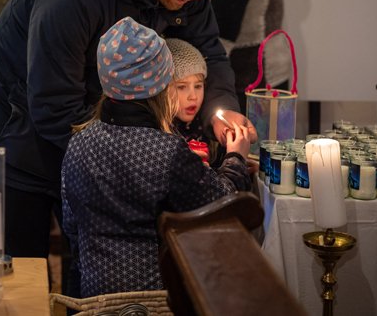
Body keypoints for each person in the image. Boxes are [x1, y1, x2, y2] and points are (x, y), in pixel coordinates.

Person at [0, 0, 256, 260]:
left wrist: (223, 107)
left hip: (92, 132)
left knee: (89, 266)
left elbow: (209, 51)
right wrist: (131, 157)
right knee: (24, 269)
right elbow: (53, 104)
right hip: (19, 130)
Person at [62, 17, 252, 297]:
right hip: (157, 297)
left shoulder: (79, 143)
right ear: (162, 85)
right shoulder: (167, 151)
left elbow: (71, 225)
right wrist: (235, 157)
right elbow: (221, 204)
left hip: (94, 293)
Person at [166, 37, 214, 165]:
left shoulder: (207, 128)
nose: (193, 96)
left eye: (198, 86)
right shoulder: (159, 138)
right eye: (181, 87)